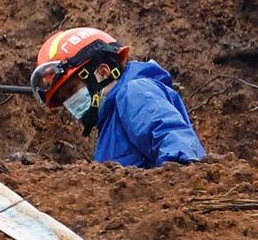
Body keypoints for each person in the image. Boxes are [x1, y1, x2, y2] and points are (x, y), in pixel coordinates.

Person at [31, 28, 204, 168]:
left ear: (103, 72)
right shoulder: (110, 124)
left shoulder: (135, 93)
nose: (70, 102)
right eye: (64, 98)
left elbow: (181, 155)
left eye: (72, 89)